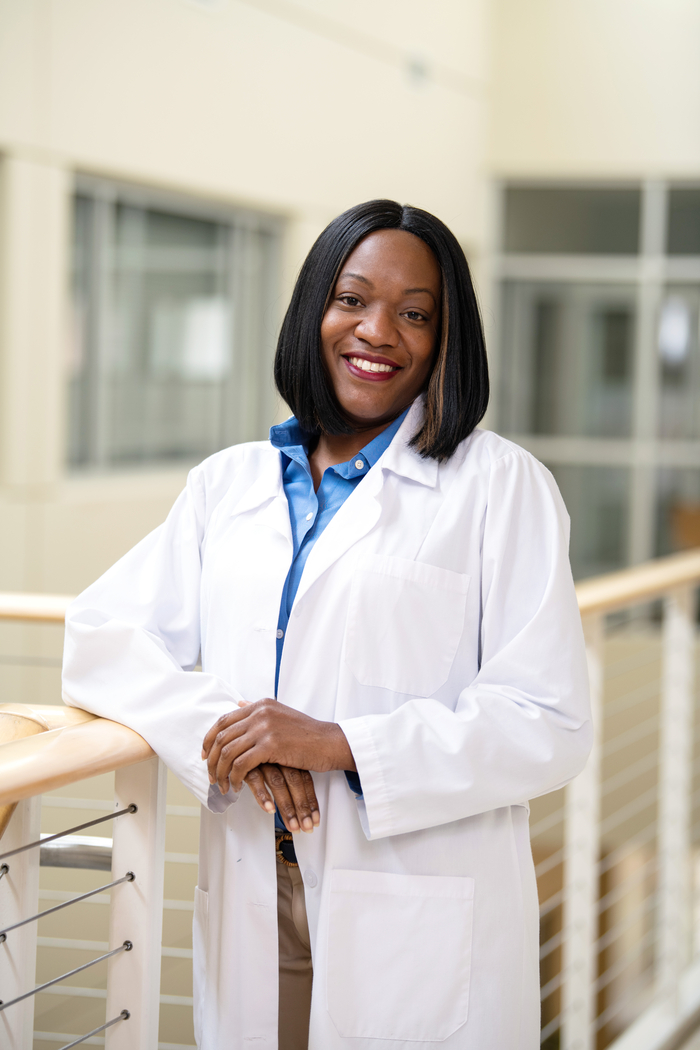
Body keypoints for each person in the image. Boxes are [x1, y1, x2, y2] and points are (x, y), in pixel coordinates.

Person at [62, 199, 592, 1050]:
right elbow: (99, 639)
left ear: (446, 338)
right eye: (352, 299)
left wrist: (340, 743)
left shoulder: (500, 487)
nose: (378, 331)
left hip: (412, 900)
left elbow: (549, 724)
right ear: (314, 309)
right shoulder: (228, 486)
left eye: (415, 313)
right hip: (254, 891)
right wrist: (229, 733)